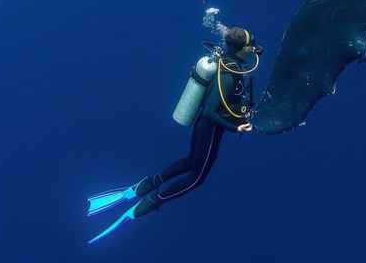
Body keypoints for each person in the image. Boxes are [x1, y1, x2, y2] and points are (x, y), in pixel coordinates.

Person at [86, 27, 263, 244]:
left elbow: (229, 104)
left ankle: (142, 187)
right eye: (250, 44)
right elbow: (209, 111)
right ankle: (149, 203)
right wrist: (235, 128)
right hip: (208, 128)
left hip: (204, 127)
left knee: (190, 161)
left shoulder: (227, 62)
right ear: (241, 49)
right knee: (197, 177)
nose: (254, 48)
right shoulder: (229, 74)